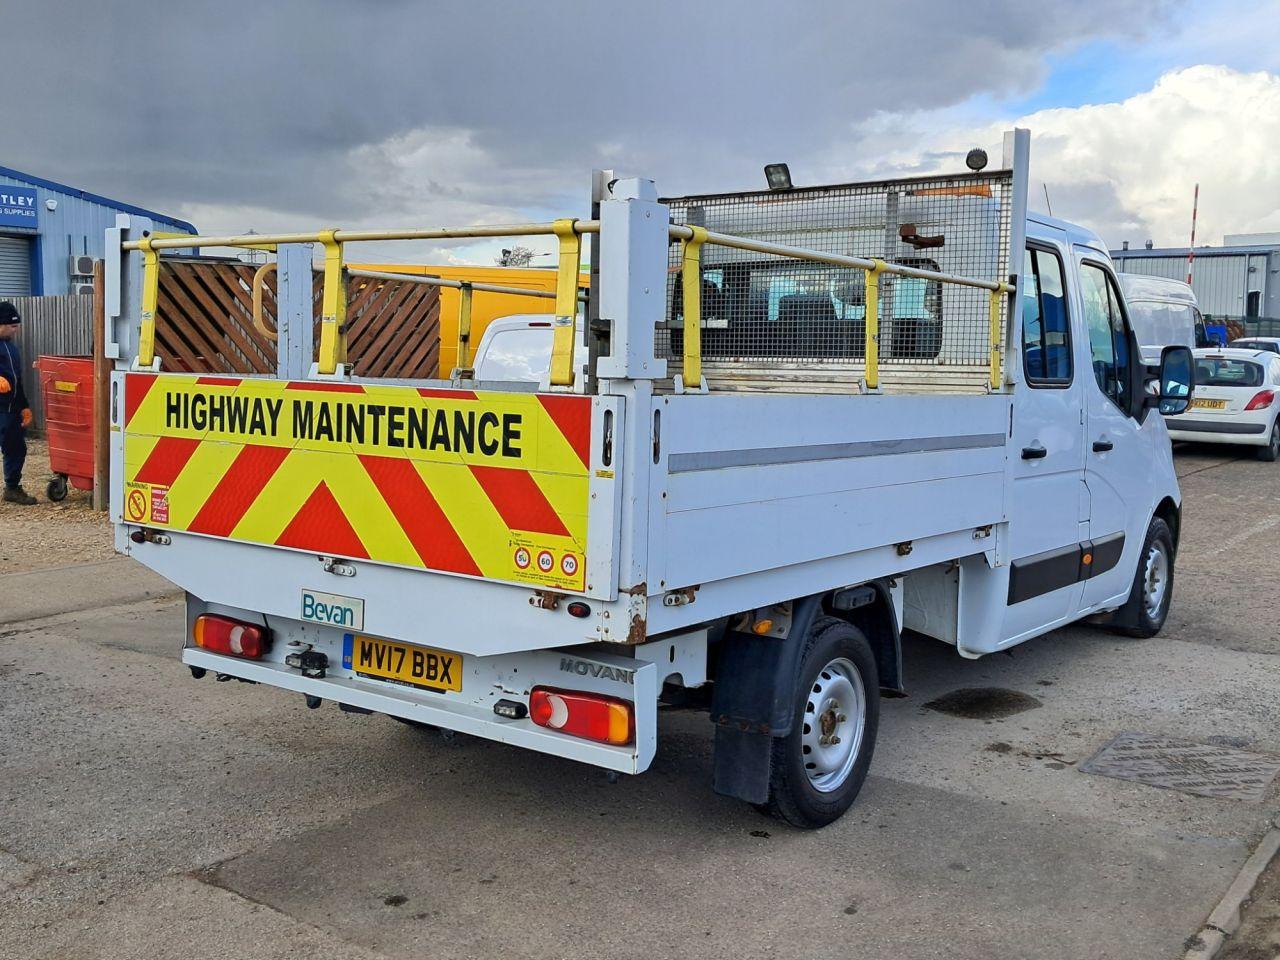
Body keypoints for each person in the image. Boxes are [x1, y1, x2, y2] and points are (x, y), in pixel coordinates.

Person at [0, 301, 36, 505]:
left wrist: (24, 406)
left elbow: (18, 380)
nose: (16, 330)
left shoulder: (11, 348)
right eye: (12, 326)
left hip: (11, 408)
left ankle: (12, 488)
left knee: (16, 448)